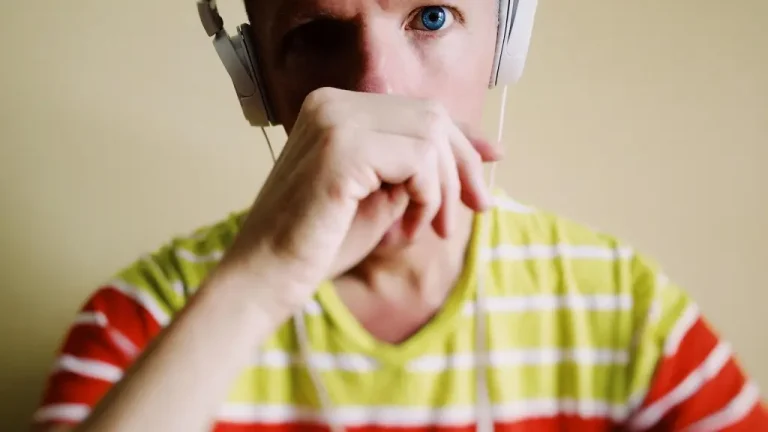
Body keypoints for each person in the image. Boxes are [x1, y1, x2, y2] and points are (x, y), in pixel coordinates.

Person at [31, 0, 767, 431]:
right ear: (257, 86)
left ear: (505, 45)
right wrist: (256, 286)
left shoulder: (628, 314)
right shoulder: (138, 323)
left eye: (432, 16)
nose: (378, 89)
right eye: (315, 34)